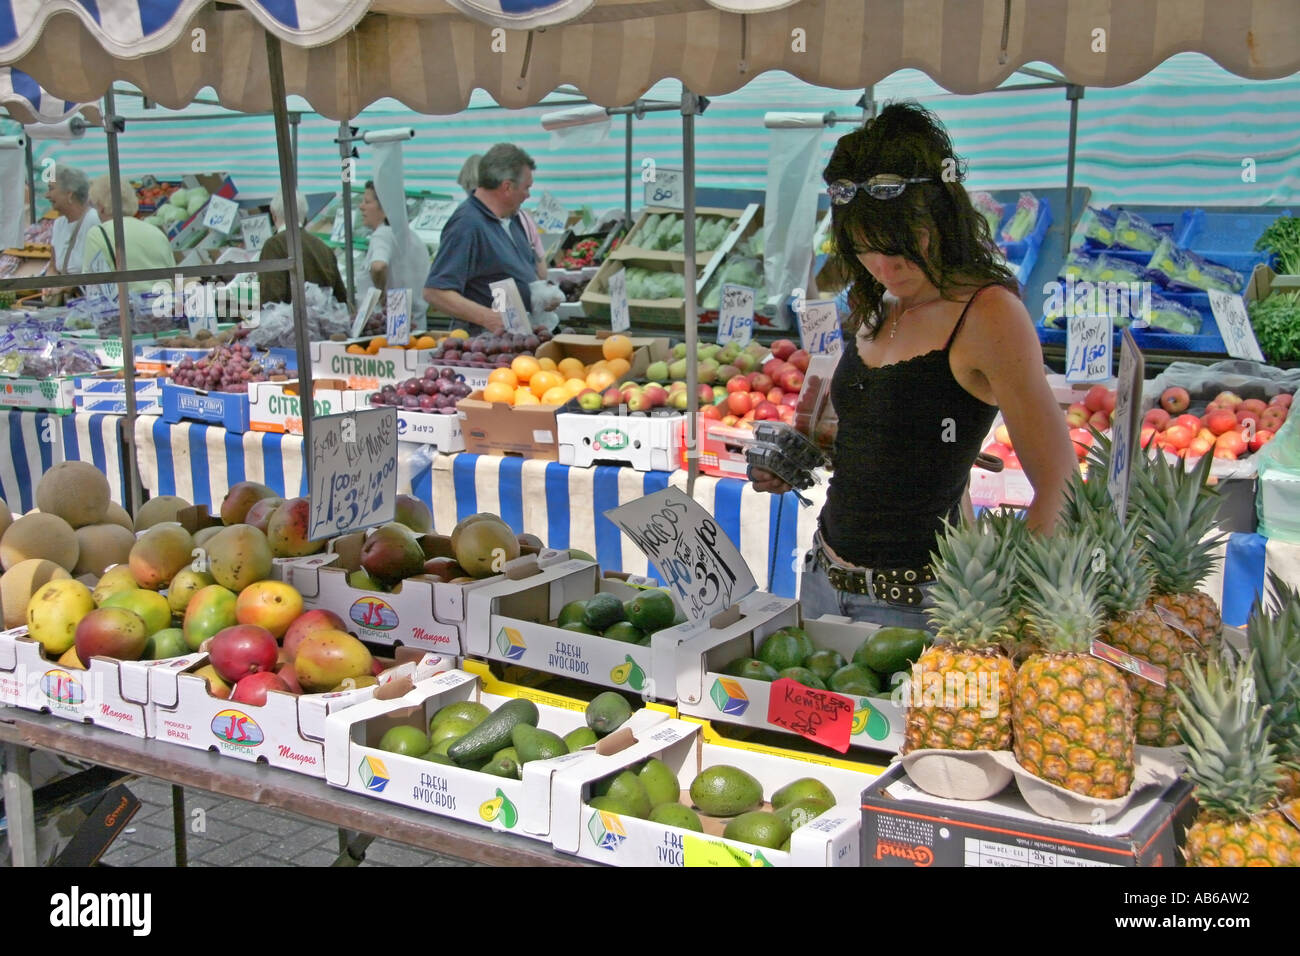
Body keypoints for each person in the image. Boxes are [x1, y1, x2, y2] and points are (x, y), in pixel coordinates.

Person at [750, 102, 1076, 629]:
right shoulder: (879, 299)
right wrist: (801, 457)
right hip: (822, 583)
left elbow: (1060, 482)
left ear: (942, 215)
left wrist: (1014, 615)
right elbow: (882, 433)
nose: (884, 266)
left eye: (902, 247)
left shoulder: (990, 314)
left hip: (924, 607)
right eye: (866, 248)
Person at [425, 143, 541, 331]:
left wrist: (538, 295)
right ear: (507, 187)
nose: (528, 195)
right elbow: (435, 292)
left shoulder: (512, 219)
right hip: (486, 346)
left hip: (517, 339)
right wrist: (487, 318)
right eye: (526, 188)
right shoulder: (467, 224)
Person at [82, 174, 175, 297]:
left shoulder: (97, 233)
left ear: (101, 207)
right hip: (165, 307)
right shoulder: (156, 232)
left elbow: (92, 284)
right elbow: (173, 277)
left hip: (129, 311)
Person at [357, 179, 429, 329]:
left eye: (367, 202)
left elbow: (379, 266)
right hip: (416, 324)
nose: (361, 207)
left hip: (390, 325)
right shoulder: (413, 238)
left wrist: (381, 294)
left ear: (384, 209)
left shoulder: (382, 234)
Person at [257, 190, 347, 306]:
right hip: (322, 321)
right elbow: (341, 299)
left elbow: (269, 298)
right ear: (304, 216)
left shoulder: (273, 245)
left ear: (273, 216)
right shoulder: (324, 248)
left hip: (289, 322)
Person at [46, 165, 99, 286]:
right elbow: (53, 268)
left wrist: (67, 288)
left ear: (69, 194)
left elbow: (99, 271)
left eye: (51, 189)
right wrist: (49, 284)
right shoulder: (59, 224)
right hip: (66, 302)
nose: (47, 195)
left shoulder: (94, 220)